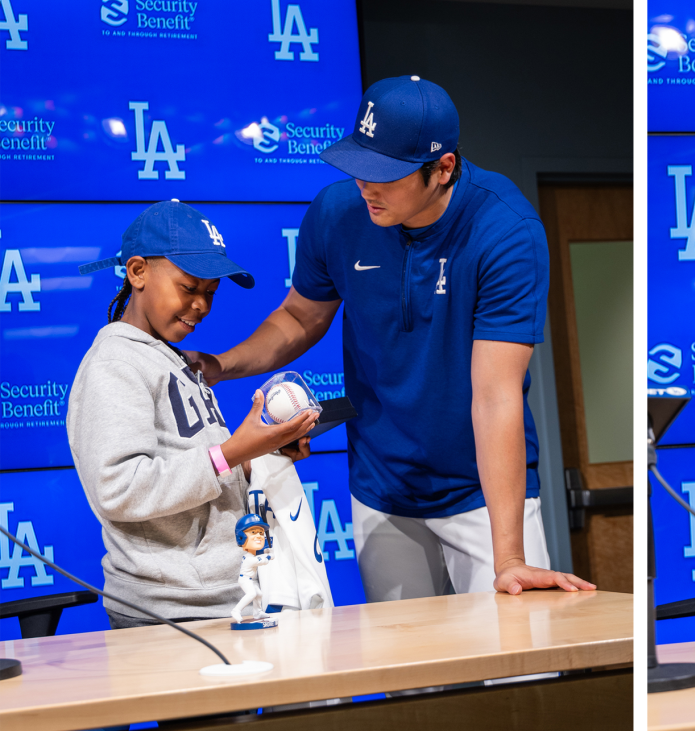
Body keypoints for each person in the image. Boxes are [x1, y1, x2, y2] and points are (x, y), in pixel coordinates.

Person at [185, 76, 593, 600]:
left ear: (442, 168)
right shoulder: (336, 214)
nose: (365, 186)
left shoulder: (506, 230)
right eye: (359, 165)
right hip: (381, 489)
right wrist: (221, 365)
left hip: (481, 494)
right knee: (410, 678)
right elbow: (299, 317)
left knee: (514, 666)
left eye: (385, 174)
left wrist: (509, 556)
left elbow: (495, 396)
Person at [68, 201, 318, 629]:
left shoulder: (179, 361)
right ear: (137, 272)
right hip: (165, 609)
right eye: (189, 287)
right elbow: (119, 488)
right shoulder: (114, 364)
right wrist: (232, 452)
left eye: (210, 293)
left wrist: (262, 454)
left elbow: (203, 468)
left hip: (225, 595)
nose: (201, 304)